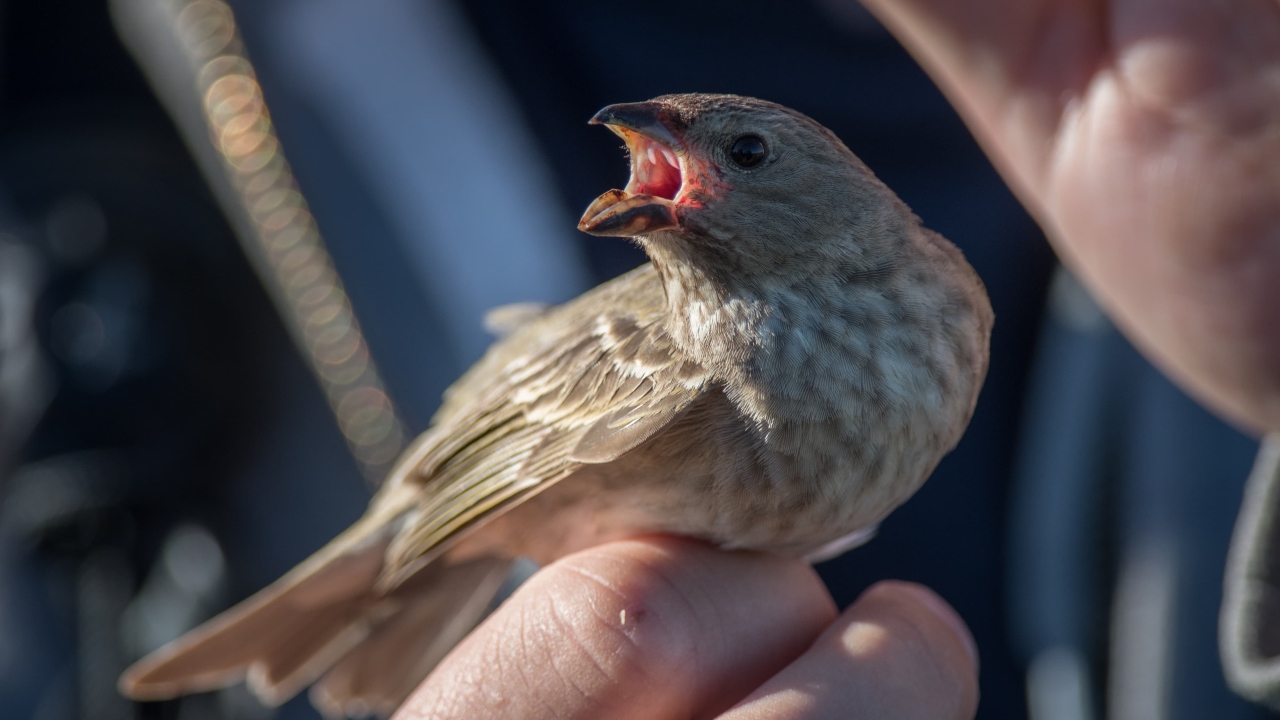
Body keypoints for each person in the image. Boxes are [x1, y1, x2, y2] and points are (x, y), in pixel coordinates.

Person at [388, 1, 1280, 718]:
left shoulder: (949, 296)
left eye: (746, 153)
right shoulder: (681, 348)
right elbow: (494, 441)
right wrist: (402, 557)